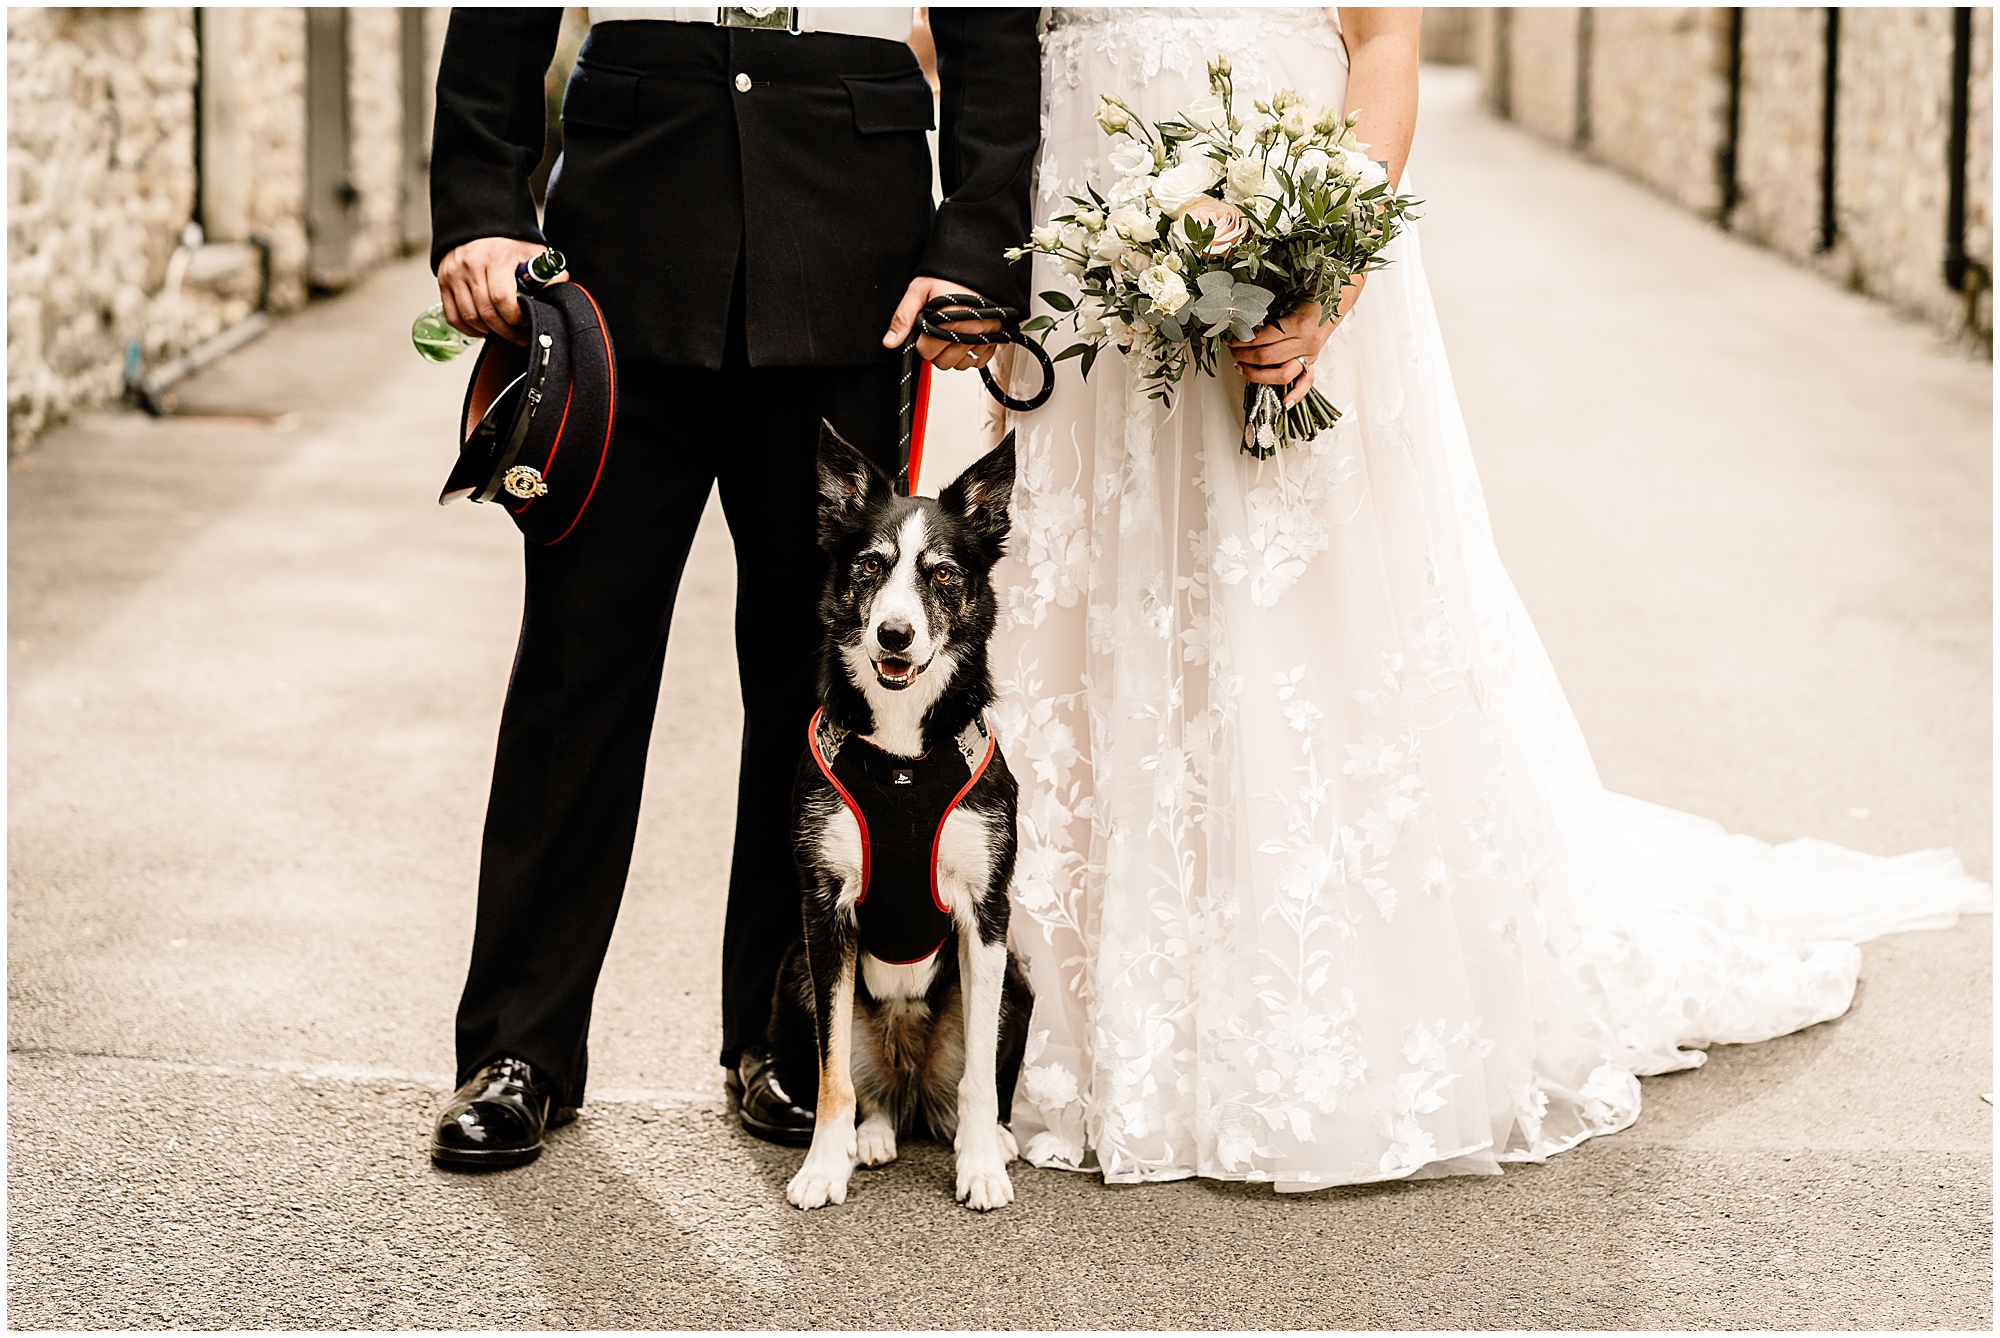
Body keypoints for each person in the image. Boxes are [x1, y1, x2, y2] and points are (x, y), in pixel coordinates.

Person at [990, 7, 1989, 1190]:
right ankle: (1046, 1009)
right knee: (1086, 624)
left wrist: (1324, 269)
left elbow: (1381, 46)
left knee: (1287, 625)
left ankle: (1299, 1011)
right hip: (1088, 290)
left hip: (1284, 293)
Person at [423, 6, 1041, 1167]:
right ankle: (519, 1049)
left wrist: (974, 245)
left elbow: (995, 34)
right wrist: (482, 209)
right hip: (620, 251)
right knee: (574, 669)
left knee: (819, 695)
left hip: (851, 252)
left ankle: (785, 1035)